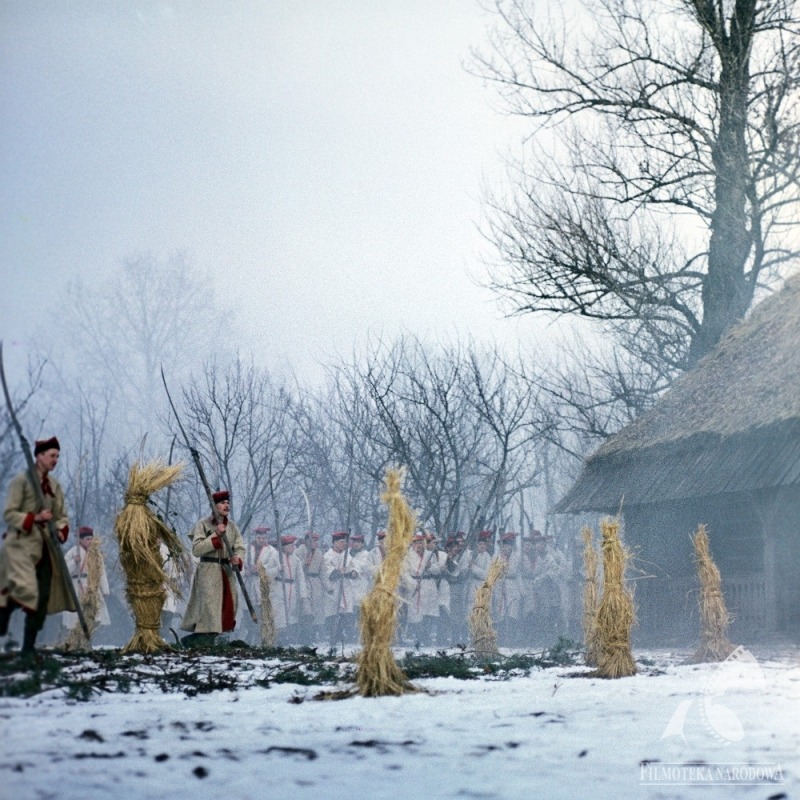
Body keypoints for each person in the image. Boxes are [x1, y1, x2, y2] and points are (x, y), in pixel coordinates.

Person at [1, 436, 71, 655]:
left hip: (45, 549)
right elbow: (9, 514)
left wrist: (60, 531)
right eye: (52, 455)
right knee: (19, 592)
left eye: (57, 456)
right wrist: (35, 517)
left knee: (42, 596)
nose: (55, 460)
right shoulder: (21, 482)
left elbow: (61, 516)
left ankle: (28, 648)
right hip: (21, 546)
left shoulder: (54, 486)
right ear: (39, 456)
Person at [180, 490, 245, 647]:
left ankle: (216, 637)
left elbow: (239, 547)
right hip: (208, 570)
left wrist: (237, 558)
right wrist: (215, 535)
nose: (226, 506)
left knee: (229, 603)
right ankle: (202, 638)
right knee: (210, 605)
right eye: (222, 503)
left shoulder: (233, 527)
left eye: (228, 503)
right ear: (214, 506)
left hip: (226, 571)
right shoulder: (203, 524)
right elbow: (196, 549)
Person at [62, 526, 111, 633]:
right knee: (76, 617)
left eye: (91, 539)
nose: (90, 541)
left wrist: (105, 590)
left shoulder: (96, 554)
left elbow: (101, 572)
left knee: (93, 616)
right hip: (76, 586)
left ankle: (88, 640)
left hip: (92, 586)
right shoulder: (73, 552)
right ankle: (77, 641)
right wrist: (74, 562)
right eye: (87, 539)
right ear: (81, 540)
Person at [268, 534, 309, 644]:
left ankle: (291, 639)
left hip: (292, 589)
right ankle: (280, 639)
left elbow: (300, 577)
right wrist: (277, 569)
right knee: (280, 616)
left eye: (293, 546)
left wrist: (303, 595)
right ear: (284, 547)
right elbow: (267, 573)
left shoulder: (296, 559)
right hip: (279, 589)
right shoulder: (275, 557)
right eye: (290, 546)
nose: (293, 548)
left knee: (292, 616)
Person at [324, 531, 361, 645]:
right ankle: (333, 636)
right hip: (333, 587)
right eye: (341, 542)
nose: (343, 544)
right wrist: (338, 571)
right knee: (333, 612)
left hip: (345, 585)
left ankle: (345, 634)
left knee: (347, 612)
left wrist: (353, 573)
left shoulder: (347, 555)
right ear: (334, 543)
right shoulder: (327, 556)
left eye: (345, 542)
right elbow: (329, 573)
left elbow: (353, 568)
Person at [296, 531, 326, 644]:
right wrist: (304, 563)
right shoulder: (299, 551)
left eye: (315, 541)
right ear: (306, 541)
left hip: (316, 583)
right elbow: (296, 569)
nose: (314, 543)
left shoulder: (319, 553)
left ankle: (313, 635)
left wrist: (328, 587)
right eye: (312, 540)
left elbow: (323, 572)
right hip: (303, 581)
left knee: (316, 610)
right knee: (306, 610)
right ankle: (305, 635)